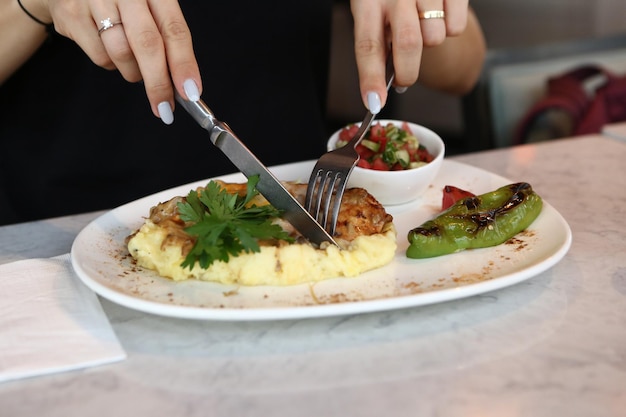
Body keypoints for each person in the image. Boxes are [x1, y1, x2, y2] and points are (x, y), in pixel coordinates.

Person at [0, 0, 485, 225]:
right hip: (55, 237)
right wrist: (33, 5)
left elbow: (463, 69)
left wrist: (421, 15)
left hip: (296, 212)